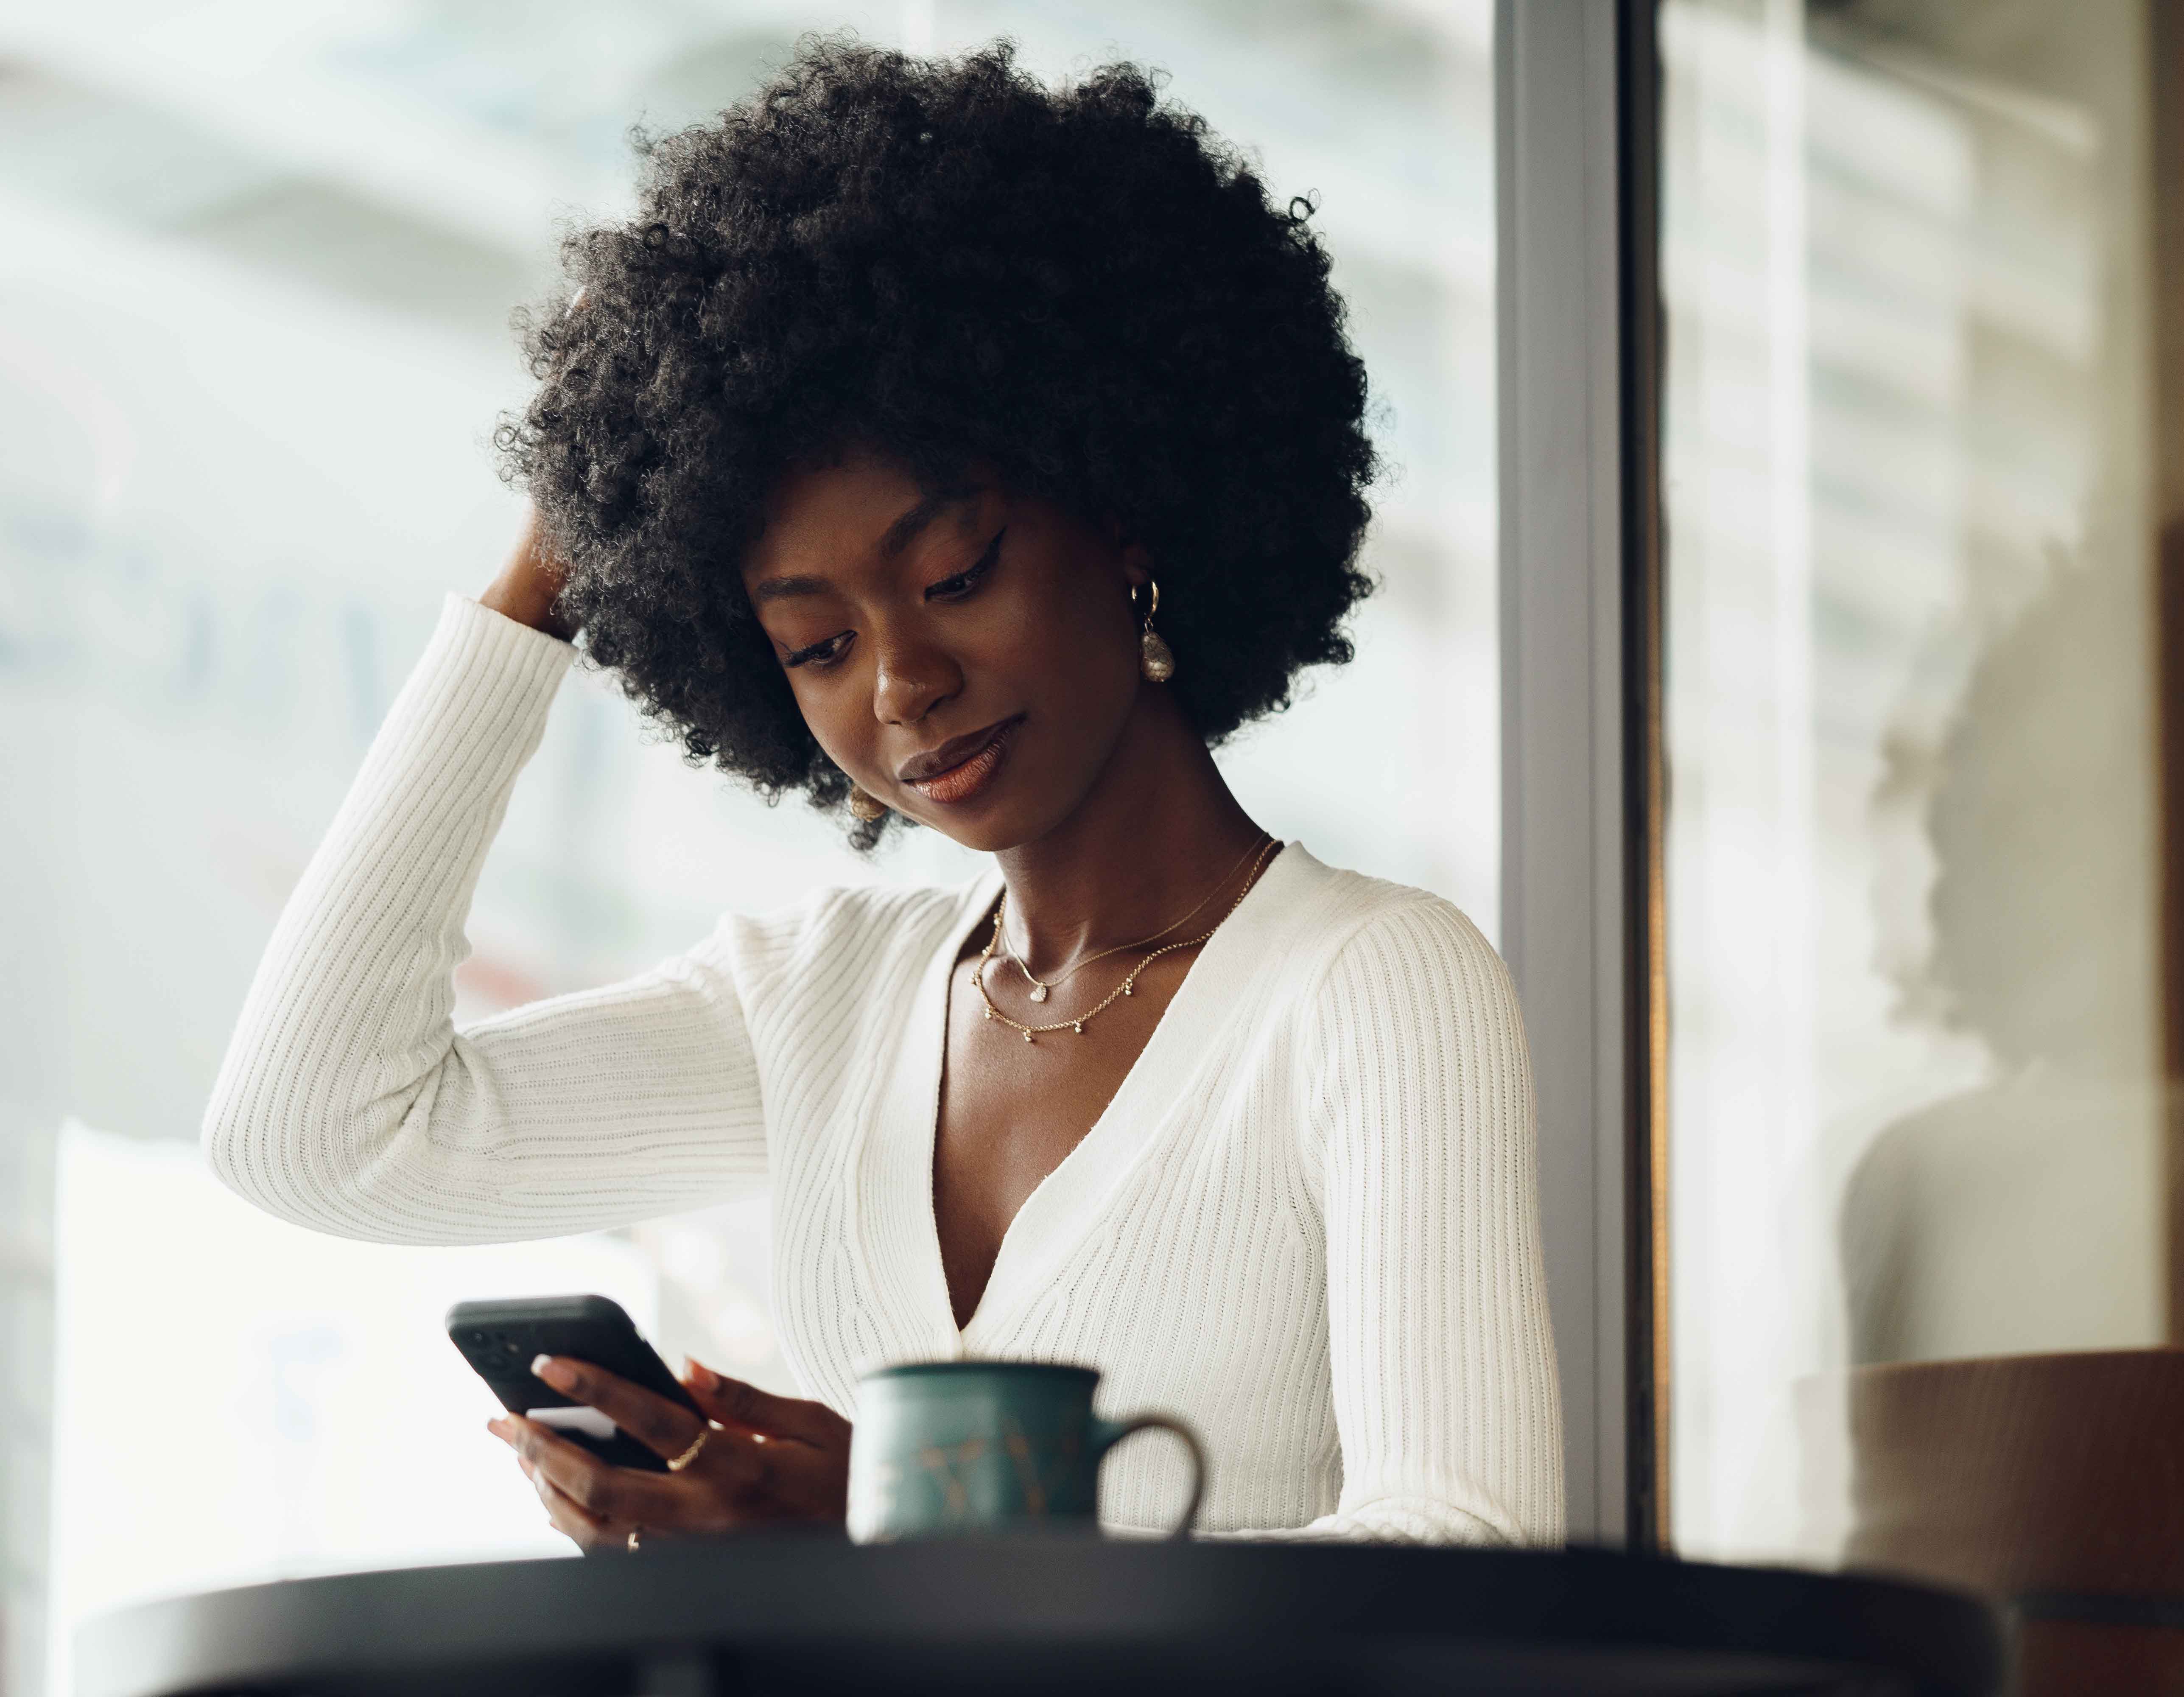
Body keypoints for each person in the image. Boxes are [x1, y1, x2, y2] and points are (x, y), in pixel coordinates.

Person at [203, 37, 1561, 1551]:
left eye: (957, 574)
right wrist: (542, 584)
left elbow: (1467, 1544)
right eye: (818, 645)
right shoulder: (820, 1008)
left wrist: (905, 1549)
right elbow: (315, 1134)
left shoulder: (1370, 985)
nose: (902, 684)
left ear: (1127, 515)